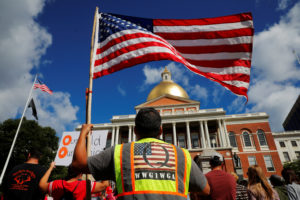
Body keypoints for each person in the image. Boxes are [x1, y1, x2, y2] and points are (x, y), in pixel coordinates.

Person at [72, 107, 210, 200]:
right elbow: (205, 190)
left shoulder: (119, 152)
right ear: (161, 130)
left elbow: (78, 164)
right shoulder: (182, 154)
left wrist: (83, 133)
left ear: (135, 131)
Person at [39, 162, 109, 200]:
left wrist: (50, 168)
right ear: (80, 174)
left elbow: (41, 185)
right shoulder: (85, 185)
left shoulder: (56, 184)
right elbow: (104, 185)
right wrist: (102, 166)